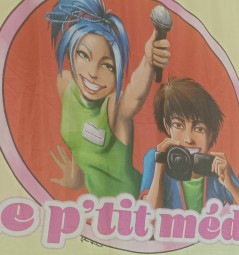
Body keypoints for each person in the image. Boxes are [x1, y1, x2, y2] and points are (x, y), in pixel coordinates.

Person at [46, 0, 170, 197]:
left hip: (133, 204)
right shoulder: (65, 84)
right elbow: (79, 134)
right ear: (71, 53)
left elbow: (135, 95)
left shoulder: (113, 108)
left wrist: (148, 61)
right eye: (84, 55)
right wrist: (76, 177)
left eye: (107, 66)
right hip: (99, 207)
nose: (93, 73)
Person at [141, 77, 239, 212]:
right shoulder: (156, 158)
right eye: (178, 125)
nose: (188, 139)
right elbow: (148, 217)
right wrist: (160, 165)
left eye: (199, 129)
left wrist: (230, 184)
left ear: (210, 134)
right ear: (167, 126)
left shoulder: (215, 167)